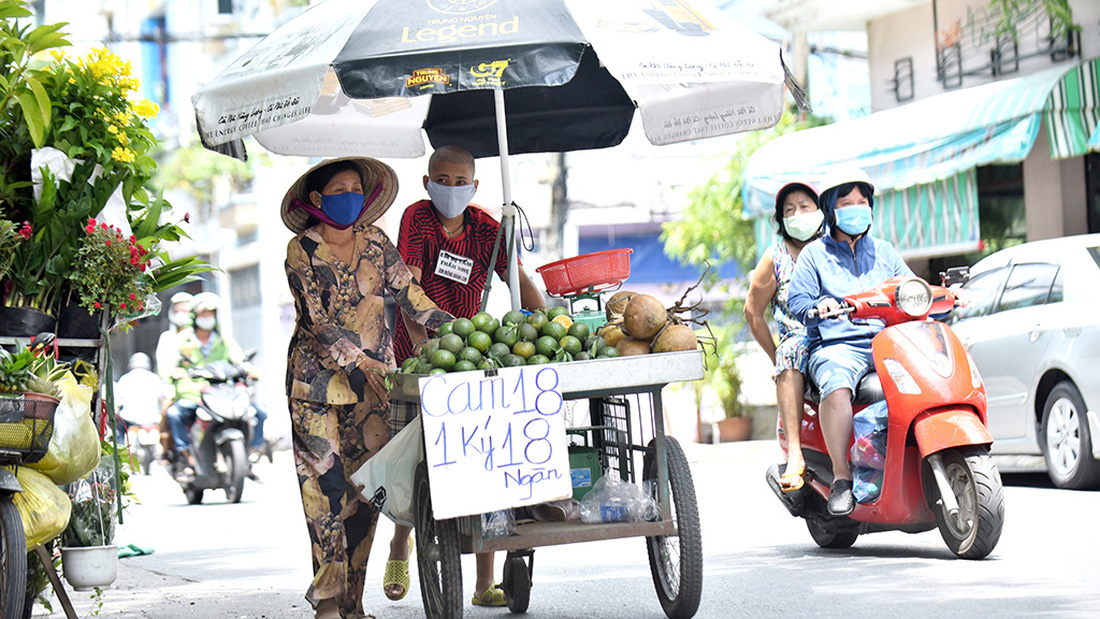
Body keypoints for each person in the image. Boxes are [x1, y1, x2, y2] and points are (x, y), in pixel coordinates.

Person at [282, 156, 453, 619]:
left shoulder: (376, 241)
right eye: (340, 189)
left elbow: (410, 296)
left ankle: (353, 604)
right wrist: (362, 360)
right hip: (316, 387)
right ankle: (327, 602)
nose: (351, 196)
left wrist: (454, 328)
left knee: (364, 492)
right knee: (325, 491)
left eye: (357, 188)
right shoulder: (302, 251)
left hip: (374, 390)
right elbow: (316, 323)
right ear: (318, 200)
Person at [386, 145, 545, 607]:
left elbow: (517, 279)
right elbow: (409, 284)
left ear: (475, 186)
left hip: (472, 356)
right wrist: (424, 345)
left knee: (484, 459)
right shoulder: (417, 219)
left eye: (461, 182)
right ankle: (400, 541)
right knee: (416, 454)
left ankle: (483, 584)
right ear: (427, 182)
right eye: (443, 180)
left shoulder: (488, 229)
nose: (451, 189)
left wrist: (551, 319)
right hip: (418, 352)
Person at [787, 166, 914, 516]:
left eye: (863, 201)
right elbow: (797, 301)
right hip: (838, 346)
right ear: (831, 211)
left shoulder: (885, 252)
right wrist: (819, 305)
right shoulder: (814, 255)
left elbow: (910, 287)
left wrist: (945, 294)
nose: (857, 208)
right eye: (847, 202)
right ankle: (842, 478)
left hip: (889, 339)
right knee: (838, 383)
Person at [744, 182, 822, 493]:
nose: (797, 214)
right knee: (790, 354)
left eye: (804, 206)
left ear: (819, 211)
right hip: (799, 338)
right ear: (781, 220)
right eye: (789, 210)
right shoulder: (775, 256)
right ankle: (795, 454)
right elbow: (753, 313)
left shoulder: (835, 246)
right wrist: (775, 354)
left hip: (842, 331)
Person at [164, 291, 247, 483]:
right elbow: (168, 365)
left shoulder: (224, 340)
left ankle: (247, 460)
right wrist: (175, 372)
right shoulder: (183, 339)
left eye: (210, 314)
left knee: (254, 413)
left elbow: (240, 360)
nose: (206, 318)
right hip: (191, 394)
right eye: (203, 314)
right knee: (175, 414)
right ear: (195, 316)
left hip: (221, 394)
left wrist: (248, 369)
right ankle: (186, 459)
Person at [155, 291, 194, 459]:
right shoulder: (167, 337)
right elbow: (163, 365)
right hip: (174, 387)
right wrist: (173, 376)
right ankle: (170, 452)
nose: (181, 315)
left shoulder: (197, 336)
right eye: (177, 311)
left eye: (186, 311)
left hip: (198, 385)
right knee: (167, 415)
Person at [114, 352, 165, 434]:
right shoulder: (155, 379)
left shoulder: (125, 379)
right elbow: (163, 400)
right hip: (153, 423)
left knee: (121, 441)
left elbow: (118, 402)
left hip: (129, 422)